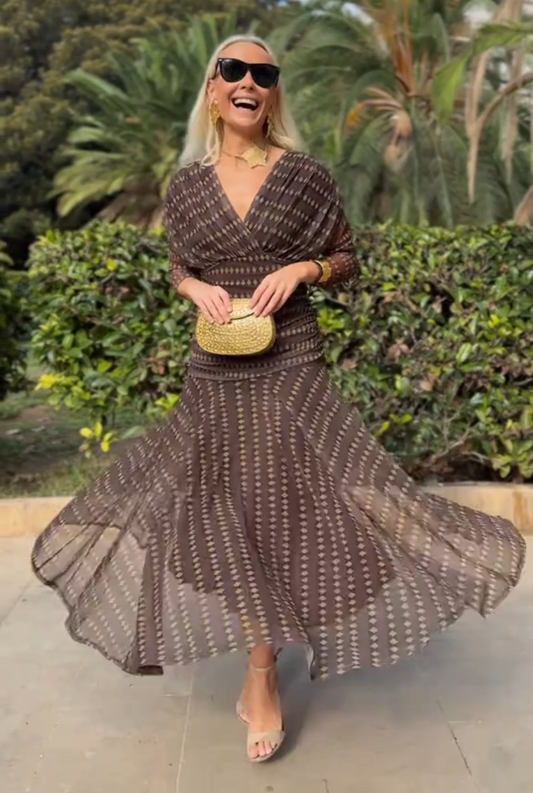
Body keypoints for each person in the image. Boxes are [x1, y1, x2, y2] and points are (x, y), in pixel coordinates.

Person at [31, 35, 526, 764]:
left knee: (282, 502)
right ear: (212, 89)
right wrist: (190, 285)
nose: (248, 82)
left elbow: (347, 260)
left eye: (263, 74)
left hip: (289, 356)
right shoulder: (187, 185)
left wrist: (302, 267)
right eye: (233, 70)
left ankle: (260, 670)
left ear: (272, 95)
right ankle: (260, 650)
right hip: (216, 361)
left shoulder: (304, 177)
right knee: (221, 503)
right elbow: (178, 263)